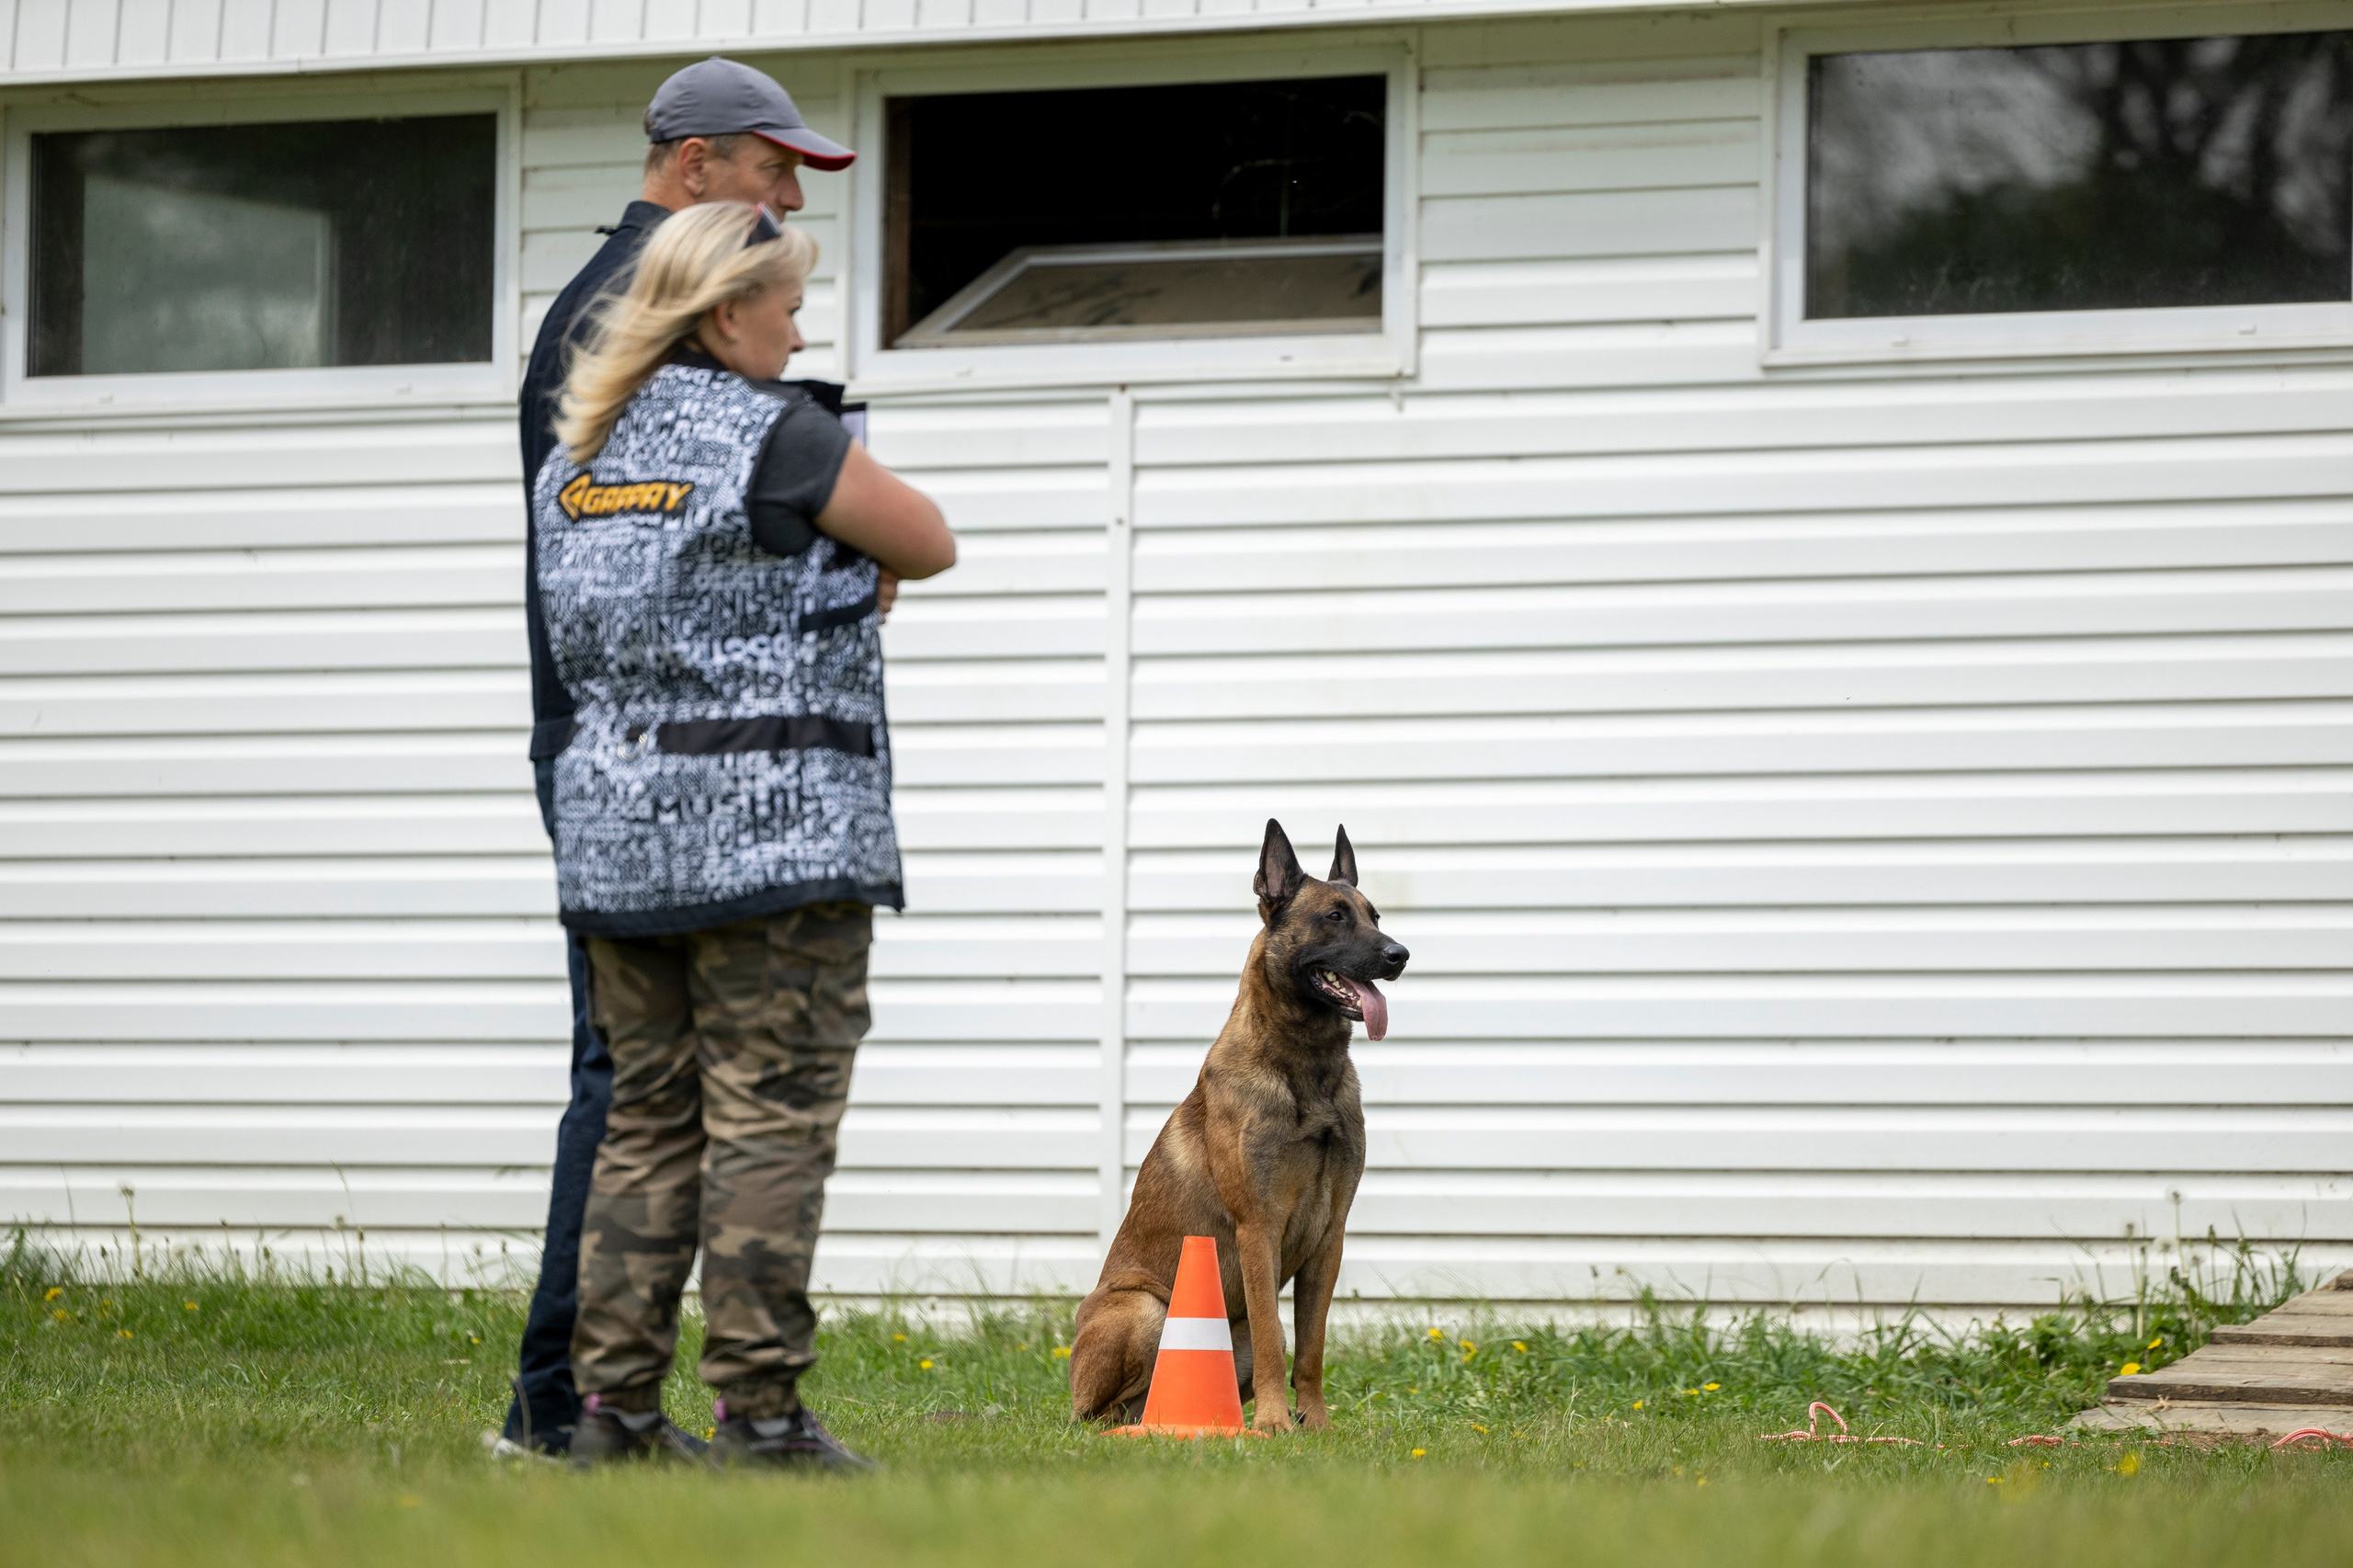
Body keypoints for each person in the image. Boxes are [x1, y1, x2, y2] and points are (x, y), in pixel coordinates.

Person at [538, 201, 953, 1470]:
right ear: (727, 314)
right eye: (786, 305)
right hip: (770, 844)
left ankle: (609, 1413)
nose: (799, 326)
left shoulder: (582, 448)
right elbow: (928, 540)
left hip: (619, 843)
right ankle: (761, 1416)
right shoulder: (777, 432)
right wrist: (847, 559)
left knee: (648, 1124)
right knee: (770, 1123)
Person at [499, 56, 863, 1460]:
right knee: (636, 1078)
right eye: (774, 170)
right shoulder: (628, 306)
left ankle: (588, 1403)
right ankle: (569, 1405)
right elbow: (622, 548)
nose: (784, 202)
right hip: (640, 748)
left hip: (636, 743)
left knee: (640, 1077)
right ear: (697, 163)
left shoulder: (625, 297)